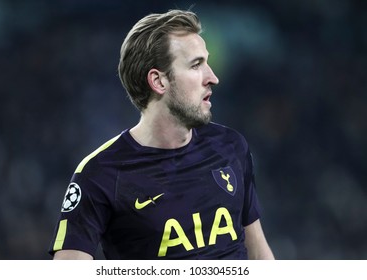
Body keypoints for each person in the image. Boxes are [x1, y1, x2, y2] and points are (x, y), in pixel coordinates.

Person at [49, 9, 275, 260]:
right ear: (158, 81)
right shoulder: (99, 174)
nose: (213, 77)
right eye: (196, 65)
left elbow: (257, 253)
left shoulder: (231, 147)